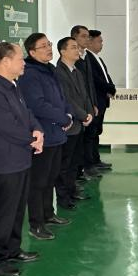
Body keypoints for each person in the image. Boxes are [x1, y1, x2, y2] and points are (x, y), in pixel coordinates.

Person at [0, 42, 44, 276]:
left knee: (16, 211)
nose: (24, 63)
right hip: (4, 163)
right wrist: (32, 140)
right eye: (20, 59)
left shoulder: (12, 85)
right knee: (1, 214)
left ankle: (12, 250)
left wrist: (37, 130)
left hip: (20, 160)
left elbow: (27, 114)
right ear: (5, 61)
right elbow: (8, 127)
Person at [18, 33, 74, 240]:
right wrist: (63, 118)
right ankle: (36, 224)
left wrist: (68, 115)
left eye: (49, 44)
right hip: (42, 136)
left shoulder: (50, 69)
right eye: (43, 46)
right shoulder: (29, 74)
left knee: (50, 178)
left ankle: (48, 214)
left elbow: (62, 98)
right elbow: (37, 105)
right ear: (32, 52)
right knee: (38, 182)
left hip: (56, 133)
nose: (49, 48)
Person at [54, 37, 94, 211]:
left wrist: (89, 113)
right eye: (73, 47)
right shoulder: (58, 73)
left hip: (80, 124)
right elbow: (67, 99)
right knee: (65, 164)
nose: (77, 50)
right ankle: (63, 197)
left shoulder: (76, 71)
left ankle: (72, 190)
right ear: (63, 51)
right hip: (69, 125)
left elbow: (84, 96)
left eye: (77, 47)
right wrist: (83, 116)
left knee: (74, 162)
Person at [71, 25, 101, 181]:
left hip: (89, 105)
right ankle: (79, 171)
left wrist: (93, 103)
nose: (87, 39)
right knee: (79, 141)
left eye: (88, 36)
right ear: (74, 37)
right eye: (83, 36)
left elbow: (90, 84)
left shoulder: (86, 57)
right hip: (78, 109)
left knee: (89, 137)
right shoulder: (72, 61)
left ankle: (87, 167)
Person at [85, 29, 115, 172]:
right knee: (91, 134)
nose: (102, 44)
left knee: (96, 132)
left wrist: (111, 87)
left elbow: (106, 76)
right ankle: (89, 164)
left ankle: (96, 160)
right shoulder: (88, 59)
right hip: (95, 101)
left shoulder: (98, 58)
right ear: (90, 42)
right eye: (99, 41)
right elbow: (96, 80)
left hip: (102, 101)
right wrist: (109, 88)